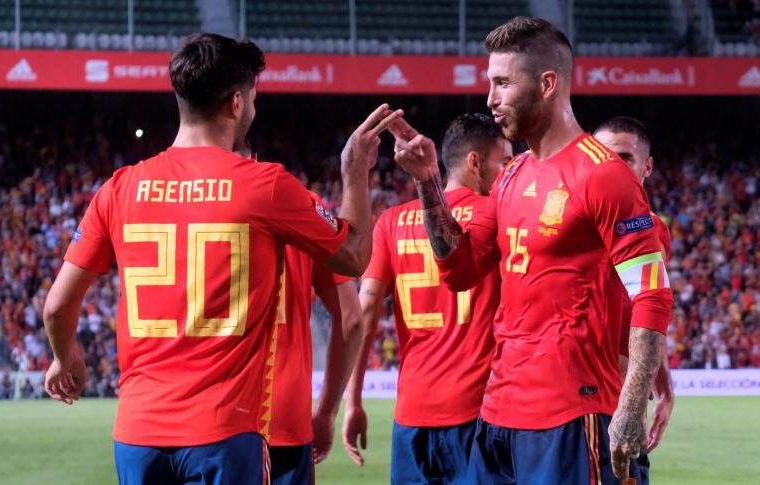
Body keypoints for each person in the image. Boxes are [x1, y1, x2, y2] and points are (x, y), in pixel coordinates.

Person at [42, 33, 401, 484]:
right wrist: (353, 176)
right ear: (236, 103)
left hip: (137, 432)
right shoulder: (266, 185)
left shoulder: (118, 188)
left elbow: (56, 307)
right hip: (225, 430)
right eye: (253, 96)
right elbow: (351, 256)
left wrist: (65, 357)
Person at [388, 17, 673, 484]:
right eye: (489, 83)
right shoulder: (510, 176)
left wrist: (630, 405)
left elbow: (652, 295)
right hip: (499, 413)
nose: (490, 99)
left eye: (502, 83)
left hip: (570, 413)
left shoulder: (603, 175)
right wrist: (427, 182)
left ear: (547, 83)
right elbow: (459, 270)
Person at [343, 114, 510, 483]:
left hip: (412, 416)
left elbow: (365, 311)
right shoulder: (498, 213)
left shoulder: (391, 221)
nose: (509, 173)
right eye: (505, 162)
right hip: (479, 411)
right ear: (476, 162)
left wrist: (352, 400)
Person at [268, 195, 364, 484]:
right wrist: (326, 412)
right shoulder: (296, 200)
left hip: (187, 415)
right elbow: (352, 319)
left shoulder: (152, 191)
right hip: (284, 414)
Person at [594, 116, 675, 456]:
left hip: (624, 411)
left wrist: (661, 378)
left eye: (624, 157)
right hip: (571, 408)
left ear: (647, 167)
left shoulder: (654, 230)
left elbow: (641, 312)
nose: (612, 165)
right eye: (603, 155)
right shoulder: (565, 223)